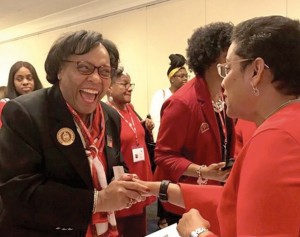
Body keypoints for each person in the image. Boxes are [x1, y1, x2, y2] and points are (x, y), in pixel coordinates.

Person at [137, 15, 300, 237]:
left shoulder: (277, 138)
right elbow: (243, 200)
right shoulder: (284, 124)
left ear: (256, 71)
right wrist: (161, 188)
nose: (224, 81)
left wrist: (197, 233)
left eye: (229, 69)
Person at [0, 30, 149, 237]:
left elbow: (115, 162)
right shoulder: (25, 113)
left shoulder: (109, 116)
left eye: (105, 71)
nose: (96, 79)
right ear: (59, 70)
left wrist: (122, 180)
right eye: (84, 68)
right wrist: (100, 200)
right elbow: (18, 192)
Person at [153, 22, 235, 226]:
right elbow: (163, 155)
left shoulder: (225, 94)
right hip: (186, 197)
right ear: (210, 56)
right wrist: (202, 171)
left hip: (215, 191)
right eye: (229, 52)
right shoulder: (182, 102)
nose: (234, 57)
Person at [106, 66, 155, 236]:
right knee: (123, 227)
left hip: (141, 174)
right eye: (124, 84)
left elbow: (132, 133)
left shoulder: (130, 108)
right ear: (109, 88)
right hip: (125, 178)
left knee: (139, 227)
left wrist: (144, 127)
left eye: (130, 85)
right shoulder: (106, 114)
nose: (129, 88)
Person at [149, 53, 188, 142]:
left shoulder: (188, 96)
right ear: (172, 79)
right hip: (166, 142)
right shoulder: (160, 95)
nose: (185, 79)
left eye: (186, 76)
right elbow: (156, 122)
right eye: (181, 76)